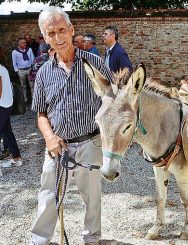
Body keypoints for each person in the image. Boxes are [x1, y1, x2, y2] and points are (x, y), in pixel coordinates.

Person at [29, 6, 113, 245]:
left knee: (92, 196)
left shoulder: (96, 63)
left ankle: (92, 238)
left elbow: (112, 102)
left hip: (90, 141)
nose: (58, 37)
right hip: (58, 145)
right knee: (48, 194)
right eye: (51, 33)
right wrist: (49, 137)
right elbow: (41, 113)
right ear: (45, 38)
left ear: (72, 30)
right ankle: (40, 240)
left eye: (61, 30)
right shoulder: (44, 72)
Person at [0, 47, 23, 168]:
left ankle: (16, 157)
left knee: (6, 132)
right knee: (7, 132)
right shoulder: (2, 67)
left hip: (2, 106)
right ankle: (16, 158)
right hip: (6, 105)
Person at [12, 38, 35, 103]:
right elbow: (14, 62)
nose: (25, 43)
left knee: (32, 85)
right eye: (23, 42)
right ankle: (25, 100)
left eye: (25, 42)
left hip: (29, 69)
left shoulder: (29, 49)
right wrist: (17, 71)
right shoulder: (15, 52)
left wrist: (32, 68)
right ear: (19, 44)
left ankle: (34, 99)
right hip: (21, 71)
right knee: (23, 86)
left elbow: (32, 59)